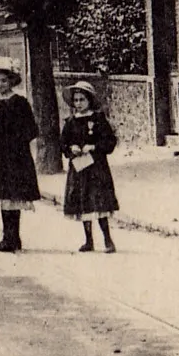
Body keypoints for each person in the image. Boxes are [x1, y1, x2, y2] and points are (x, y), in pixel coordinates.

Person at [0, 56, 42, 253]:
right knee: (3, 197)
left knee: (14, 196)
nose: (0, 84)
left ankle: (14, 237)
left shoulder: (20, 102)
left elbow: (31, 128)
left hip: (16, 156)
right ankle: (8, 237)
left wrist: (17, 142)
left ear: (12, 81)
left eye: (4, 80)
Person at [61, 81, 119, 253]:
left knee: (99, 201)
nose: (78, 103)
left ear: (90, 100)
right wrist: (71, 148)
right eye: (76, 100)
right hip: (79, 168)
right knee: (83, 202)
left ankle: (108, 239)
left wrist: (93, 147)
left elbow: (110, 141)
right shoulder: (71, 122)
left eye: (82, 100)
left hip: (96, 168)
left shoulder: (98, 119)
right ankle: (88, 240)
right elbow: (63, 142)